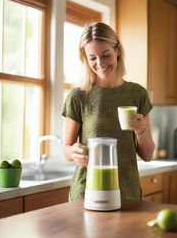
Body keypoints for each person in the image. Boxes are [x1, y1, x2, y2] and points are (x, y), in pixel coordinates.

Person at [62, 22, 154, 201]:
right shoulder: (78, 96)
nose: (100, 63)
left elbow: (148, 155)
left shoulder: (137, 94)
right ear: (85, 59)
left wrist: (141, 130)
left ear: (117, 50)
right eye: (92, 58)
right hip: (87, 191)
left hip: (127, 191)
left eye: (105, 55)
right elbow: (66, 149)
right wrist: (74, 152)